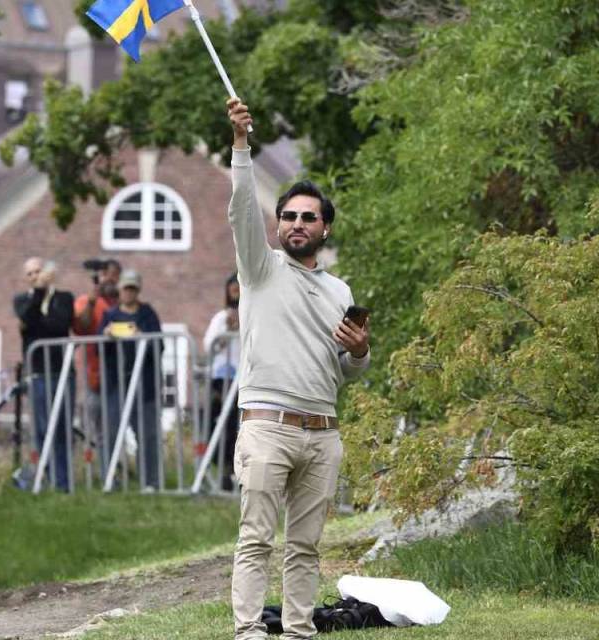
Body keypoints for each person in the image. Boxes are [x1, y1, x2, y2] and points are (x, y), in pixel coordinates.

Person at [225, 97, 371, 640]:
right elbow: (242, 209)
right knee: (256, 538)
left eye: (308, 217)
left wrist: (359, 352)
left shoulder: (340, 290)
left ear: (325, 229)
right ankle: (248, 630)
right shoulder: (260, 268)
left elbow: (347, 371)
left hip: (323, 433)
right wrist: (241, 145)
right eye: (288, 216)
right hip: (267, 427)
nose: (296, 224)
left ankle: (299, 630)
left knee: (305, 545)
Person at [13, 258, 76, 490]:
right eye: (30, 274)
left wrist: (39, 318)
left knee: (61, 427)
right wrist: (39, 293)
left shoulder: (64, 298)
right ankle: (46, 477)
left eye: (38, 272)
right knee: (41, 428)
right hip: (38, 372)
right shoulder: (21, 300)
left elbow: (57, 326)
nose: (35, 277)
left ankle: (64, 481)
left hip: (62, 371)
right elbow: (29, 322)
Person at [97, 269, 162, 491]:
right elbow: (99, 348)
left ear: (138, 290)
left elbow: (158, 345)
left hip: (145, 386)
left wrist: (141, 335)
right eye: (126, 288)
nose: (129, 293)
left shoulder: (148, 314)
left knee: (147, 434)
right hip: (116, 384)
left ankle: (150, 482)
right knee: (111, 432)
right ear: (120, 289)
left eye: (133, 288)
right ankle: (110, 479)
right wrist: (106, 335)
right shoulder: (110, 315)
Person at [72, 259, 121, 466]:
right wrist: (92, 302)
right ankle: (107, 474)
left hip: (121, 375)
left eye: (113, 274)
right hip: (96, 377)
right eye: (104, 274)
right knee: (100, 429)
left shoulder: (123, 303)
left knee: (118, 427)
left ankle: (123, 471)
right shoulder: (86, 301)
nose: (109, 278)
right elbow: (81, 328)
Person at [201, 273, 242, 491]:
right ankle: (223, 467)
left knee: (236, 426)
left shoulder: (253, 315)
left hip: (244, 379)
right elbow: (209, 346)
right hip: (221, 378)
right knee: (217, 426)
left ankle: (235, 469)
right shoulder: (219, 318)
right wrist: (227, 330)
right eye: (232, 288)